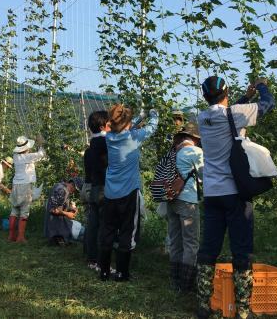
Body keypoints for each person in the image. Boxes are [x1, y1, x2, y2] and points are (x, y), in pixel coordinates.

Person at [196, 76, 274, 319]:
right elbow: (268, 104)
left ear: (204, 96)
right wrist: (261, 87)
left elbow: (229, 112)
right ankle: (242, 310)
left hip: (212, 193)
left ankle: (202, 305)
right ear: (226, 92)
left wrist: (246, 97)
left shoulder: (201, 117)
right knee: (241, 250)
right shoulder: (236, 114)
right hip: (235, 193)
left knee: (209, 249)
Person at [99, 104, 158, 282]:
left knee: (108, 230)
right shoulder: (134, 137)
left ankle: (104, 271)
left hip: (110, 192)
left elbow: (126, 125)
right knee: (127, 230)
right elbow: (152, 127)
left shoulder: (109, 137)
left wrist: (139, 117)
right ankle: (122, 272)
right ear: (126, 122)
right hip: (128, 192)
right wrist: (153, 114)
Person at [168, 122, 203, 293]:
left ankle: (175, 280)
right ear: (195, 138)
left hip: (171, 198)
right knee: (191, 243)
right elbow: (204, 174)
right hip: (188, 200)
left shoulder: (173, 151)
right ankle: (187, 284)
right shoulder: (195, 151)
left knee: (175, 240)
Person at [83, 110, 110, 271]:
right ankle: (101, 261)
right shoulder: (105, 143)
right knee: (103, 225)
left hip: (93, 187)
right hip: (103, 188)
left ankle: (91, 258)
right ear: (102, 126)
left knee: (93, 223)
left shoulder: (91, 146)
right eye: (109, 124)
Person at [8, 135, 46, 243]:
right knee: (24, 211)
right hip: (25, 185)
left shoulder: (15, 155)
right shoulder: (26, 157)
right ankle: (20, 237)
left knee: (14, 210)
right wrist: (40, 144)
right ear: (25, 148)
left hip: (15, 185)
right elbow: (41, 154)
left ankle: (11, 236)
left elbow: (31, 155)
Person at [44, 177, 84, 246]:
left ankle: (61, 239)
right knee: (84, 232)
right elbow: (53, 209)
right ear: (73, 185)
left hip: (56, 225)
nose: (74, 192)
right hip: (57, 227)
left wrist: (71, 208)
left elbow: (59, 206)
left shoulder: (60, 186)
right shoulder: (62, 190)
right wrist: (68, 214)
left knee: (83, 233)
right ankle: (61, 239)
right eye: (75, 190)